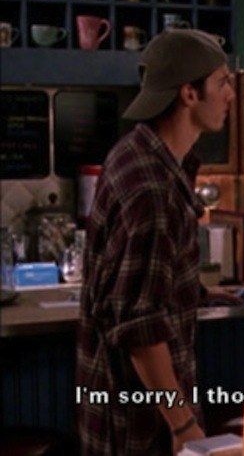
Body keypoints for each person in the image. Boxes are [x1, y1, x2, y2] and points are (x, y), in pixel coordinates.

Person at [76, 29, 235, 455]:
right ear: (189, 93)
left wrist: (193, 291)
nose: (231, 94)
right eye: (222, 82)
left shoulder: (137, 153)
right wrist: (182, 424)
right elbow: (139, 327)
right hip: (140, 422)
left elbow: (139, 279)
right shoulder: (152, 186)